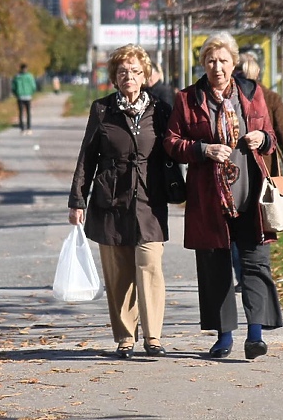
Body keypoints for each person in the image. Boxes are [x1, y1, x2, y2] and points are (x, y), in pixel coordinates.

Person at [164, 31, 283, 360]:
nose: (217, 67)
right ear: (202, 63)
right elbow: (171, 143)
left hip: (250, 194)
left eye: (224, 61)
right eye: (211, 61)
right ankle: (224, 336)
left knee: (256, 263)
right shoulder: (187, 99)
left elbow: (271, 136)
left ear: (234, 63)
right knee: (215, 266)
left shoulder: (252, 93)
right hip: (209, 199)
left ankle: (256, 335)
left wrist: (262, 137)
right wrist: (203, 149)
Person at [68, 44, 173, 359]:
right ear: (114, 77)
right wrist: (78, 201)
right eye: (123, 72)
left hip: (150, 202)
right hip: (110, 202)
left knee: (150, 265)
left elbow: (175, 151)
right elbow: (87, 158)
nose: (129, 76)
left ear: (145, 76)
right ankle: (126, 337)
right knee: (118, 273)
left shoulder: (161, 110)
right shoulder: (102, 110)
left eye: (136, 71)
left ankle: (153, 337)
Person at [231, 51, 283, 291]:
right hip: (267, 170)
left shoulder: (263, 99)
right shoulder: (270, 97)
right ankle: (255, 273)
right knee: (263, 222)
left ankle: (246, 275)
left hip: (249, 171)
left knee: (241, 227)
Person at [12, 63, 38, 135]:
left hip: (20, 96)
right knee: (28, 112)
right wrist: (31, 92)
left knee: (21, 113)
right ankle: (29, 128)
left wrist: (16, 94)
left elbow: (13, 87)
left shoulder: (17, 77)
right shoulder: (29, 76)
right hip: (28, 96)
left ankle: (22, 128)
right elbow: (33, 86)